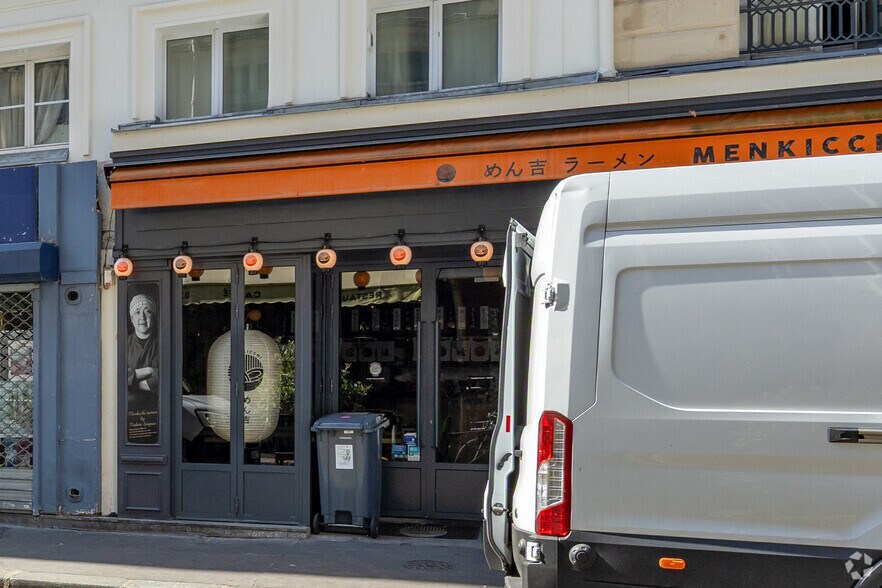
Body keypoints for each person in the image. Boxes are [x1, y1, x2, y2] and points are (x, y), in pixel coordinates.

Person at [127, 293, 159, 443]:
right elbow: (117, 374)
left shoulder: (163, 343)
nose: (142, 317)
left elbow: (162, 378)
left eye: (147, 311)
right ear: (131, 318)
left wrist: (129, 381)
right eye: (137, 312)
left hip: (157, 413)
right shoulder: (123, 345)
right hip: (129, 415)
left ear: (154, 316)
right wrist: (149, 370)